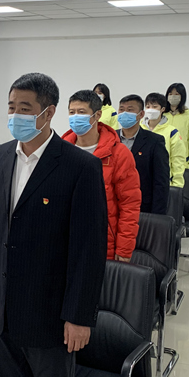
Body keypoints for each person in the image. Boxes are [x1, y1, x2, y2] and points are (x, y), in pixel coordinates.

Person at [0, 73, 107, 377]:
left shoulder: (80, 167)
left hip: (50, 317)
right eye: (11, 107)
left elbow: (89, 251)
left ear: (48, 113)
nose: (16, 115)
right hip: (3, 312)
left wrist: (79, 316)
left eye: (25, 108)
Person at [61, 90, 141, 261]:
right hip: (65, 240)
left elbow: (129, 205)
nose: (75, 117)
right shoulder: (61, 151)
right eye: (72, 112)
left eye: (81, 112)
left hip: (102, 242)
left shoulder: (118, 154)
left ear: (97, 115)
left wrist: (124, 248)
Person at [117, 94, 170, 214]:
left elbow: (161, 182)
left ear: (141, 114)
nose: (124, 113)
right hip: (112, 205)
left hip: (142, 206)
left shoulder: (155, 141)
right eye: (121, 109)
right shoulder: (110, 138)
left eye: (130, 110)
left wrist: (157, 216)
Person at [141, 93, 186, 188]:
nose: (151, 110)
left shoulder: (172, 132)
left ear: (163, 109)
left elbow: (178, 160)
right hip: (140, 181)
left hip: (162, 182)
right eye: (148, 107)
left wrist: (176, 184)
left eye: (155, 107)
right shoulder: (138, 129)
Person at [165, 83, 189, 172]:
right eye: (170, 94)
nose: (173, 97)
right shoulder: (161, 116)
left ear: (182, 97)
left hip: (181, 163)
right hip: (162, 162)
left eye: (176, 94)